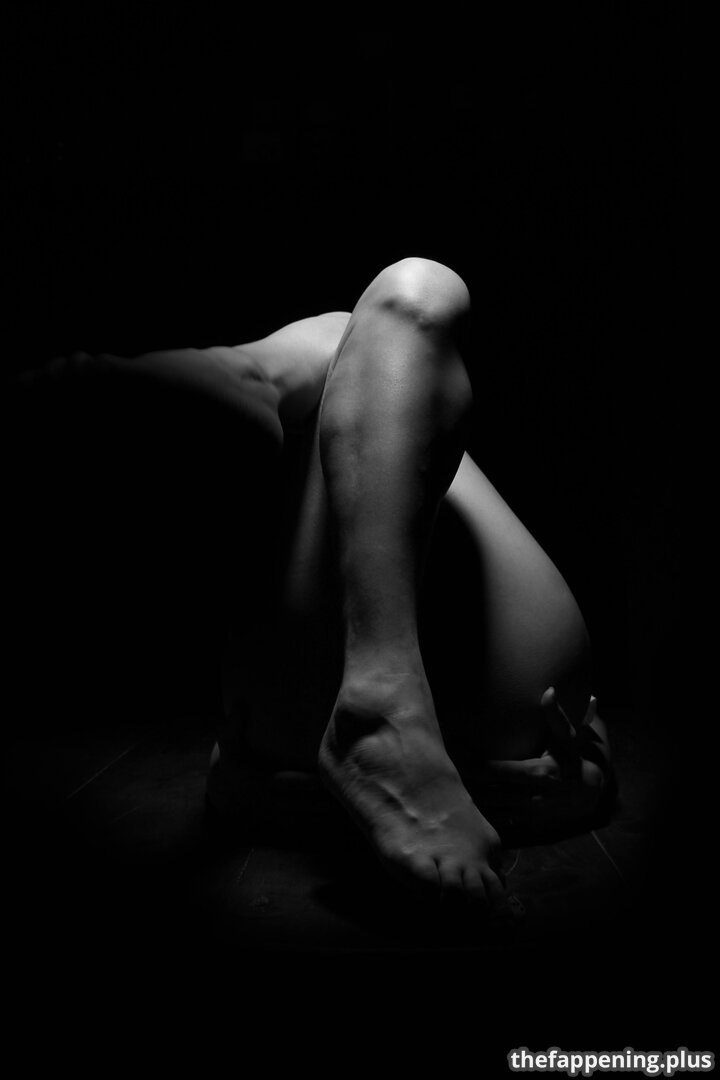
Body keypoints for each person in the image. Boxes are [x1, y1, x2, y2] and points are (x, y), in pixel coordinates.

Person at [10, 257, 612, 916]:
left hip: (291, 731)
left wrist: (242, 784)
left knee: (391, 312)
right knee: (401, 308)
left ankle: (245, 374)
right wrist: (595, 773)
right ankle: (381, 695)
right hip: (506, 729)